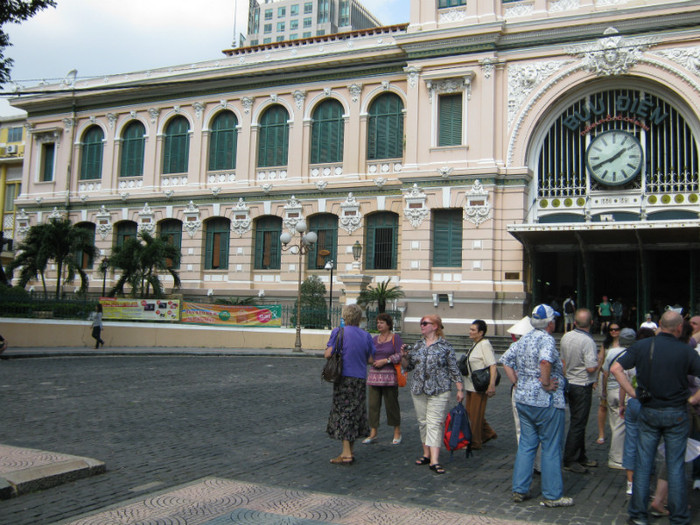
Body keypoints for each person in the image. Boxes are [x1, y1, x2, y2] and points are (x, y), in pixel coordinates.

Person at [611, 310, 700, 525]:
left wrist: (632, 393)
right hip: (677, 412)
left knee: (643, 463)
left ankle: (639, 516)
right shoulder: (686, 351)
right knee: (676, 465)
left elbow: (615, 368)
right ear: (679, 328)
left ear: (659, 324)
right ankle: (679, 518)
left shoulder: (642, 346)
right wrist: (692, 400)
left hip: (649, 409)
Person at [500, 304, 573, 507]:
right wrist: (546, 382)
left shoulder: (525, 339)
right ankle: (552, 494)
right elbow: (545, 362)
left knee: (526, 444)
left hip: (523, 399)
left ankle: (519, 489)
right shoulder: (546, 339)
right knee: (550, 446)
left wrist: (517, 381)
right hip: (545, 401)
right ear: (550, 323)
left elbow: (505, 360)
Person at [401, 314, 464, 475]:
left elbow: (453, 368)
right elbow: (408, 367)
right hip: (419, 389)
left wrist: (459, 388)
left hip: (439, 389)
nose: (421, 326)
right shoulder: (418, 345)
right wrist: (404, 357)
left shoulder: (445, 346)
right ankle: (426, 454)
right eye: (421, 323)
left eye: (425, 323)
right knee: (423, 422)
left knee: (435, 423)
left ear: (435, 326)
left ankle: (435, 460)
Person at [325, 304, 376, 465]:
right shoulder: (366, 335)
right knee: (355, 413)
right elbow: (370, 359)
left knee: (343, 413)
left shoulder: (338, 332)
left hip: (344, 377)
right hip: (360, 378)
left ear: (344, 317)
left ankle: (347, 454)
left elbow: (328, 353)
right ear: (359, 318)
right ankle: (349, 450)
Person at [560, 308, 599, 473]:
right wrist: (599, 363)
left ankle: (581, 455)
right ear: (591, 323)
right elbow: (590, 368)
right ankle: (570, 458)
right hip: (583, 384)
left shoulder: (566, 336)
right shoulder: (588, 341)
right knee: (578, 422)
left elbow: (563, 361)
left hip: (570, 381)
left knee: (578, 421)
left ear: (574, 322)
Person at [619, 328, 656, 496]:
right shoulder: (653, 357)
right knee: (649, 442)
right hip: (649, 402)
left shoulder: (631, 355)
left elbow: (621, 379)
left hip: (633, 400)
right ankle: (646, 480)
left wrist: (623, 402)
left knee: (631, 442)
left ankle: (630, 482)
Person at [363, 312, 403, 445]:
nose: (379, 325)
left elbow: (400, 355)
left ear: (388, 324)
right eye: (378, 322)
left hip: (389, 377)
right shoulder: (374, 339)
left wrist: (386, 360)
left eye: (381, 322)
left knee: (391, 405)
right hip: (374, 377)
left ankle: (397, 431)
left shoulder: (395, 338)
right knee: (373, 405)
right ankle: (373, 432)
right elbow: (370, 355)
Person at [602, 327, 635, 469]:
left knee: (614, 423)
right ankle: (616, 457)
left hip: (611, 389)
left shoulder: (610, 352)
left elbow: (605, 373)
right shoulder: (633, 353)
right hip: (624, 390)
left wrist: (603, 391)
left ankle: (616, 455)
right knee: (621, 426)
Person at [463, 319, 498, 450]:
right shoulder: (475, 344)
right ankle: (488, 433)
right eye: (470, 329)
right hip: (471, 385)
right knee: (471, 413)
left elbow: (492, 365)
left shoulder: (484, 345)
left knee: (475, 415)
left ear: (481, 332)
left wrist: (491, 385)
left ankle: (475, 441)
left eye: (473, 330)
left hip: (479, 386)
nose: (470, 332)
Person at [596, 322, 622, 445]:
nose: (613, 332)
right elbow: (600, 361)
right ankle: (601, 433)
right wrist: (596, 379)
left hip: (620, 376)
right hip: (606, 375)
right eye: (611, 330)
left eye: (616, 329)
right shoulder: (606, 345)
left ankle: (617, 432)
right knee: (603, 405)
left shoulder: (623, 344)